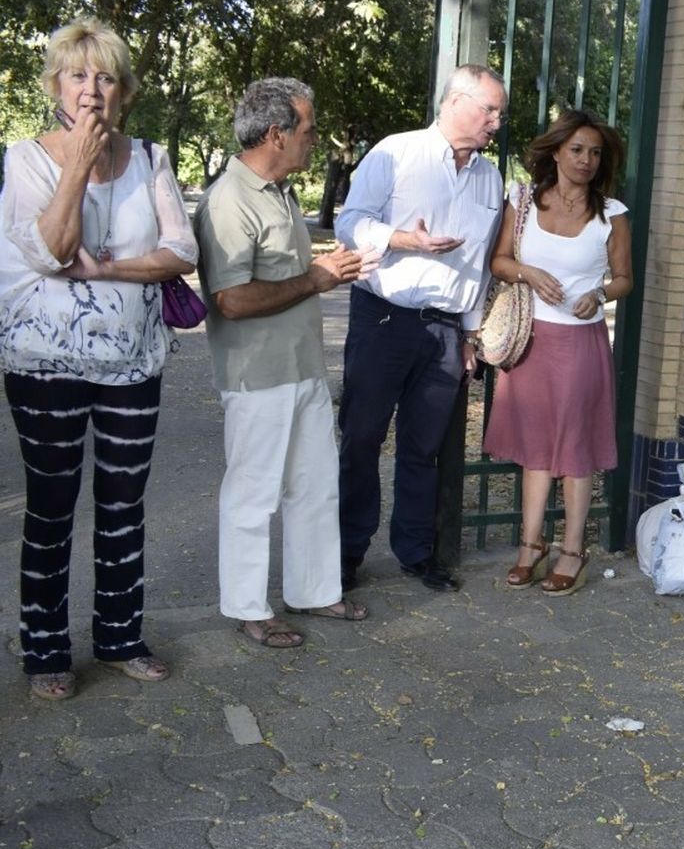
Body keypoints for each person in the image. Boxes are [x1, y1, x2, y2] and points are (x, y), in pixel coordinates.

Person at [0, 18, 196, 699]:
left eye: (104, 76)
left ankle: (120, 636)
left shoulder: (151, 158)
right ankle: (45, 649)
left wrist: (105, 268)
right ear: (57, 87)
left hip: (130, 360)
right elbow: (46, 248)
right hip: (43, 362)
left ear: (123, 90)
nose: (91, 89)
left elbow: (181, 251)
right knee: (51, 504)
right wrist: (77, 164)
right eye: (78, 75)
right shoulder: (26, 158)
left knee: (124, 504)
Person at [194, 78, 376, 648]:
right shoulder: (229, 199)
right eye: (309, 129)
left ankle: (314, 591)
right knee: (252, 495)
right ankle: (249, 608)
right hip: (257, 378)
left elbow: (281, 280)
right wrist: (317, 279)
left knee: (314, 485)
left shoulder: (279, 192)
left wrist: (323, 271)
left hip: (301, 370)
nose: (315, 140)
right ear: (276, 133)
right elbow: (230, 299)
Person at [334, 64, 507, 592]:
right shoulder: (396, 151)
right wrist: (400, 239)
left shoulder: (490, 177)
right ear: (456, 102)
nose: (497, 122)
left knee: (423, 448)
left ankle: (415, 552)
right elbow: (349, 221)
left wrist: (471, 333)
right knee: (361, 440)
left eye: (500, 112)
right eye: (489, 109)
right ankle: (344, 555)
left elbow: (479, 264)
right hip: (384, 319)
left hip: (446, 331)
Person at [483, 109, 631, 596]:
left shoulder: (612, 214)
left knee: (575, 449)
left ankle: (572, 551)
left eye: (594, 153)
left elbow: (626, 278)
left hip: (580, 342)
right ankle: (530, 546)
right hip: (530, 341)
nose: (586, 160)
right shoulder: (522, 200)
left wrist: (603, 294)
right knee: (535, 447)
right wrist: (529, 273)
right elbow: (500, 261)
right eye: (577, 150)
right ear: (556, 151)